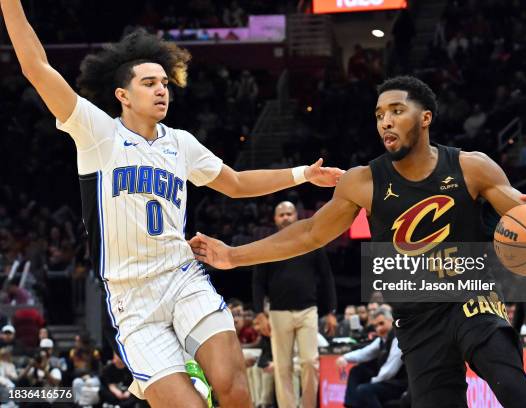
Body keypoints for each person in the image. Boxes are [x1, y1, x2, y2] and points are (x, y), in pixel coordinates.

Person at [0, 1, 343, 407]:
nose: (162, 89)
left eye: (164, 82)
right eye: (149, 83)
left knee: (234, 387)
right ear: (122, 95)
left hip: (181, 278)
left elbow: (234, 183)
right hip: (131, 299)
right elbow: (37, 67)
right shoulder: (98, 134)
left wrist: (303, 173)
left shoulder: (181, 143)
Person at [191, 75, 526, 407]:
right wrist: (234, 256)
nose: (385, 121)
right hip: (418, 319)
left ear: (425, 118)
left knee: (512, 388)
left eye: (396, 110)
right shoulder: (364, 181)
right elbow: (309, 232)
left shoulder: (472, 166)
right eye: (378, 114)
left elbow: (521, 210)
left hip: (472, 301)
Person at [252, 201, 337, 408]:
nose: (286, 218)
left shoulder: (312, 241)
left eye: (289, 213)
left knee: (310, 362)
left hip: (308, 310)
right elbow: (257, 281)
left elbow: (327, 278)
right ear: (275, 219)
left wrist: (332, 310)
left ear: (296, 216)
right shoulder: (268, 244)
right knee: (283, 367)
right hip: (278, 312)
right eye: (281, 215)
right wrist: (258, 313)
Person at [336, 308, 407, 408]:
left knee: (364, 390)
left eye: (381, 324)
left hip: (400, 384)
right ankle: (351, 405)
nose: (378, 329)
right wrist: (345, 358)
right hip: (388, 381)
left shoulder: (398, 338)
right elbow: (365, 353)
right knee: (356, 371)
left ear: (391, 321)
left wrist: (372, 381)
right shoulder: (382, 339)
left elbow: (390, 370)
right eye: (376, 326)